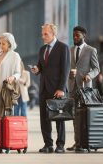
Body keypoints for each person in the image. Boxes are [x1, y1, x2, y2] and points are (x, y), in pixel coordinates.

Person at [31, 23, 70, 154]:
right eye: (42, 34)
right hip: (44, 89)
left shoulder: (63, 48)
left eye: (45, 34)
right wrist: (36, 69)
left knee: (59, 118)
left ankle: (60, 145)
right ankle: (48, 144)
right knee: (44, 118)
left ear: (53, 33)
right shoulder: (42, 49)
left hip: (57, 90)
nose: (43, 36)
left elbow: (65, 70)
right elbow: (41, 67)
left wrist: (61, 88)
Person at [66, 26, 100, 153]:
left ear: (83, 36)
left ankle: (85, 142)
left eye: (77, 35)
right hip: (72, 87)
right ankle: (77, 142)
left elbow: (97, 69)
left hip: (85, 89)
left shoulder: (91, 50)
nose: (74, 37)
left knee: (84, 116)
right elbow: (67, 68)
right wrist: (70, 74)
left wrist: (89, 75)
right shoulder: (69, 50)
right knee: (75, 116)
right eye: (73, 35)